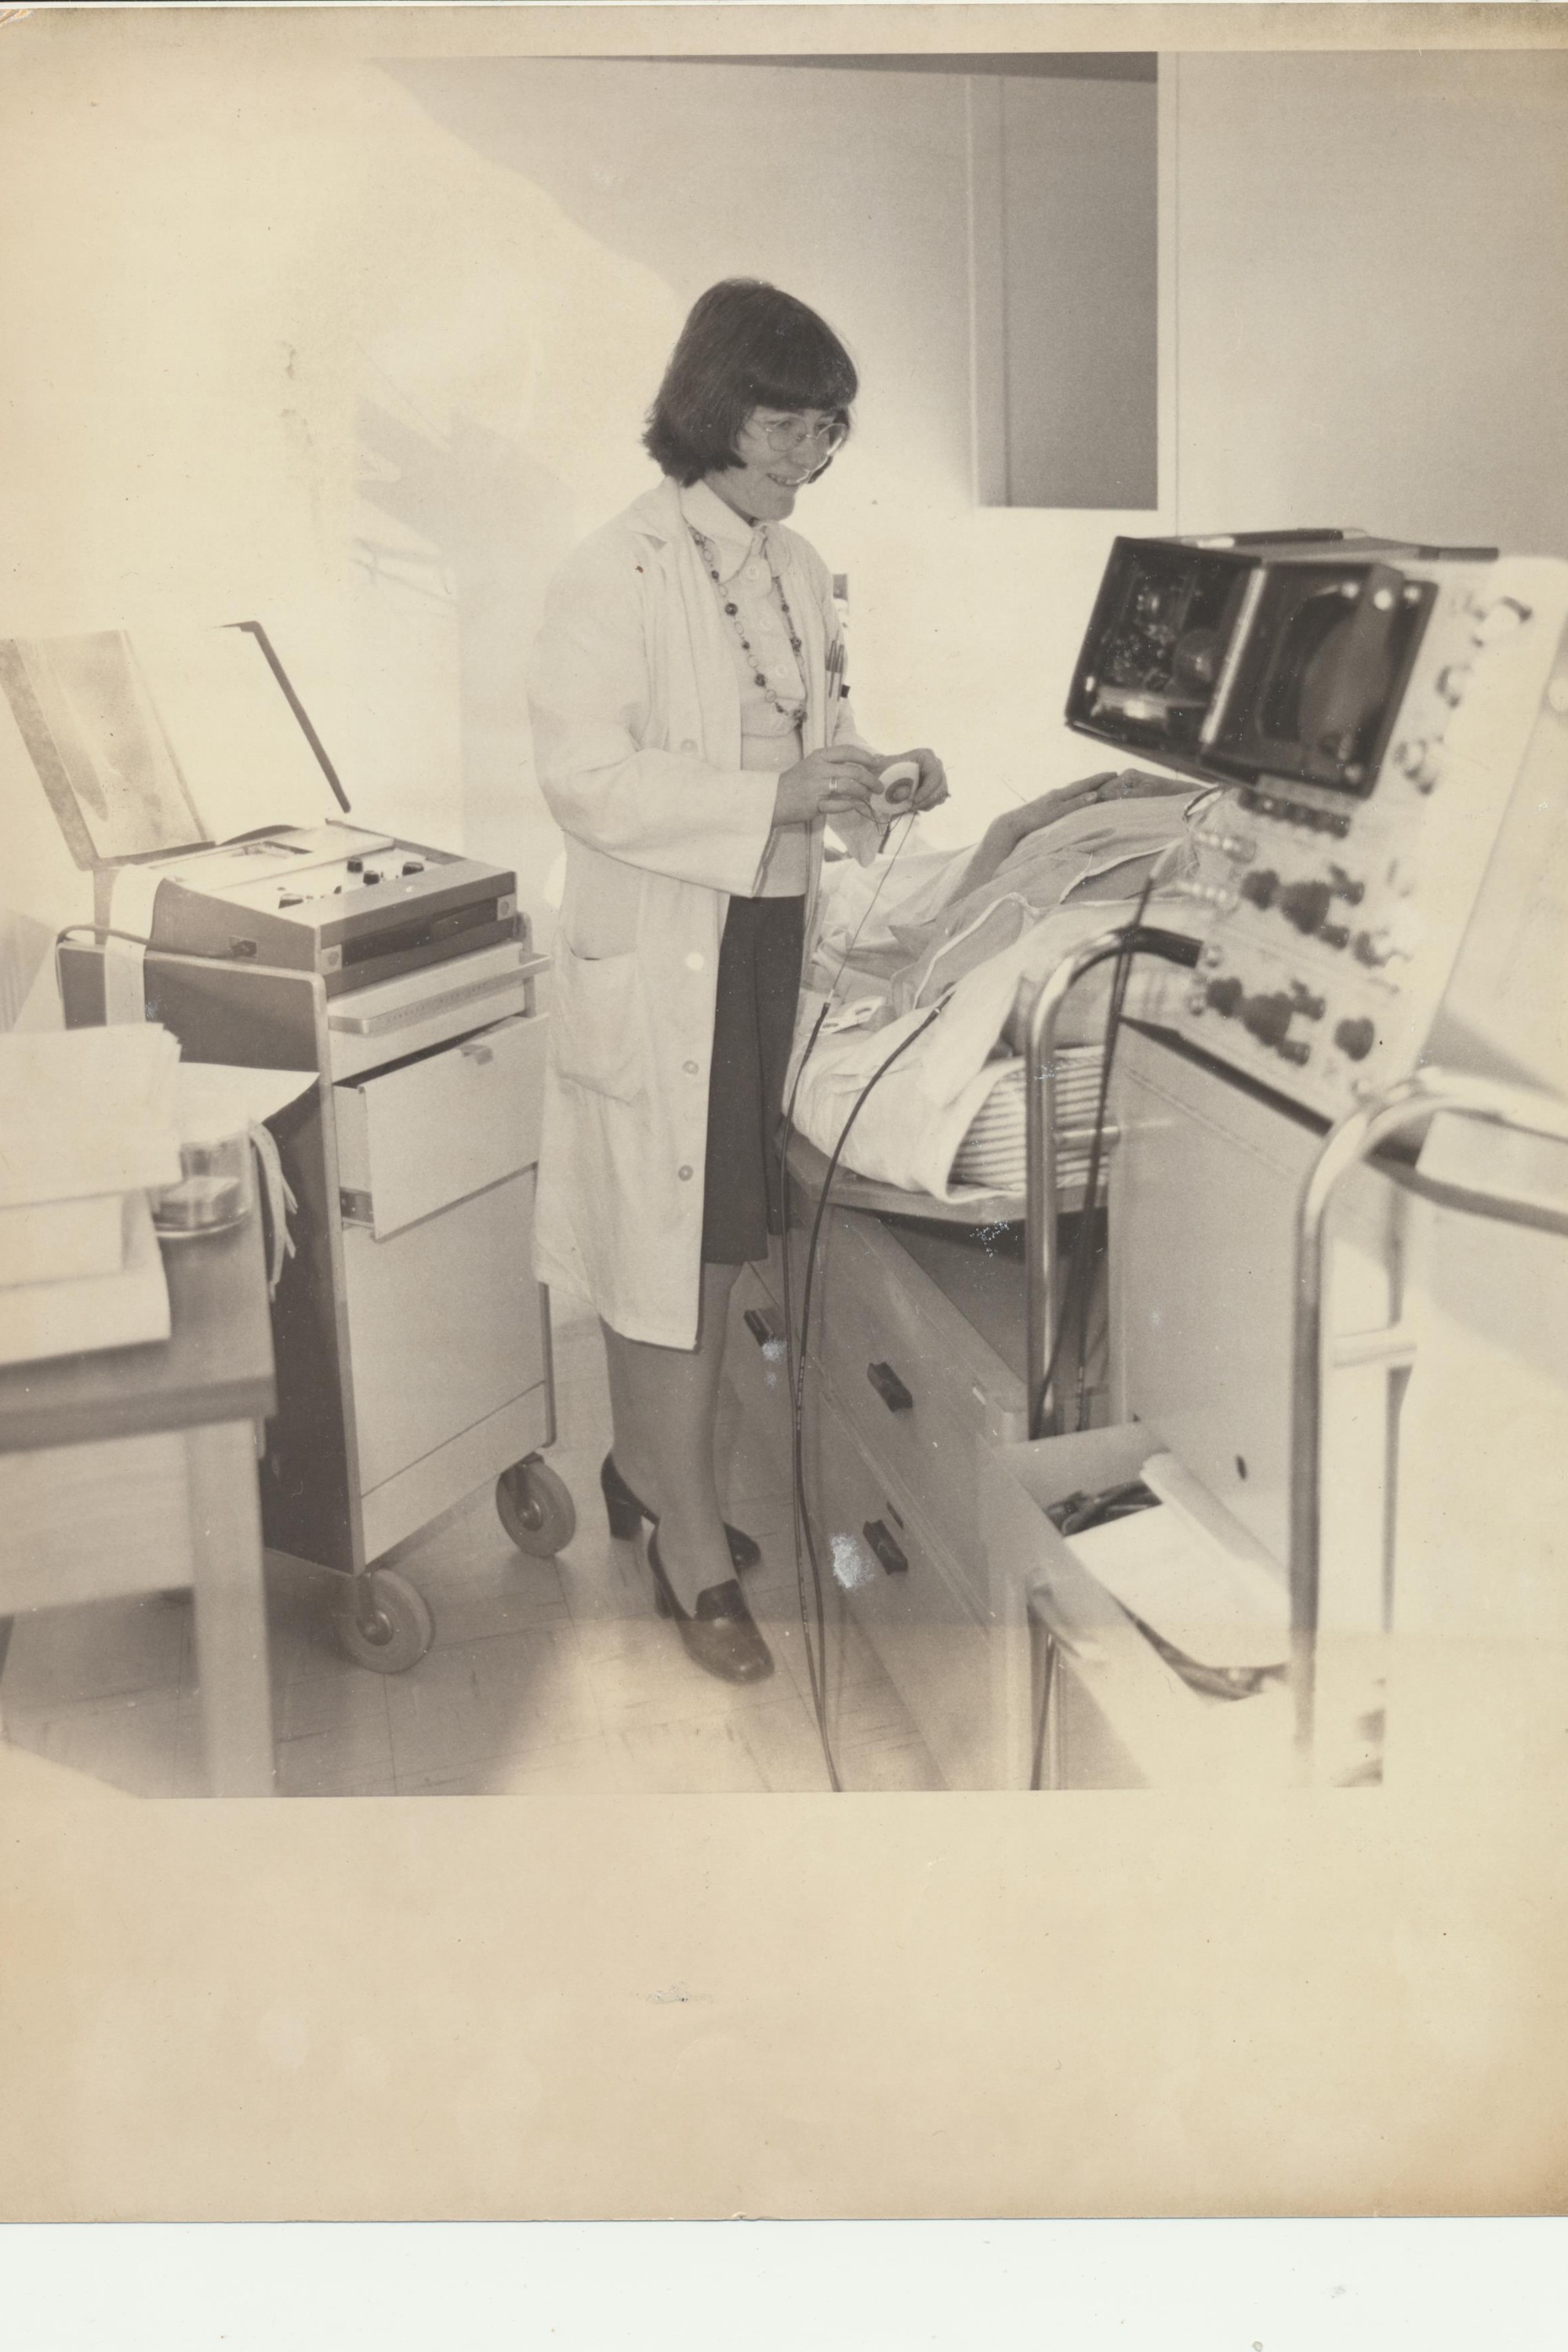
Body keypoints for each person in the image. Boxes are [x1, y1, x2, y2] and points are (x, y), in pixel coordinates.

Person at [528, 279, 948, 1685]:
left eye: (827, 431)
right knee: (670, 1247)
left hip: (765, 941)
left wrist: (875, 778)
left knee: (704, 1244)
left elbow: (809, 733)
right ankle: (688, 1544)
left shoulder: (794, 565)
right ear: (714, 408)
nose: (806, 457)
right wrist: (774, 797)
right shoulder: (616, 570)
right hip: (665, 955)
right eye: (784, 424)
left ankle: (648, 1475)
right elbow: (584, 779)